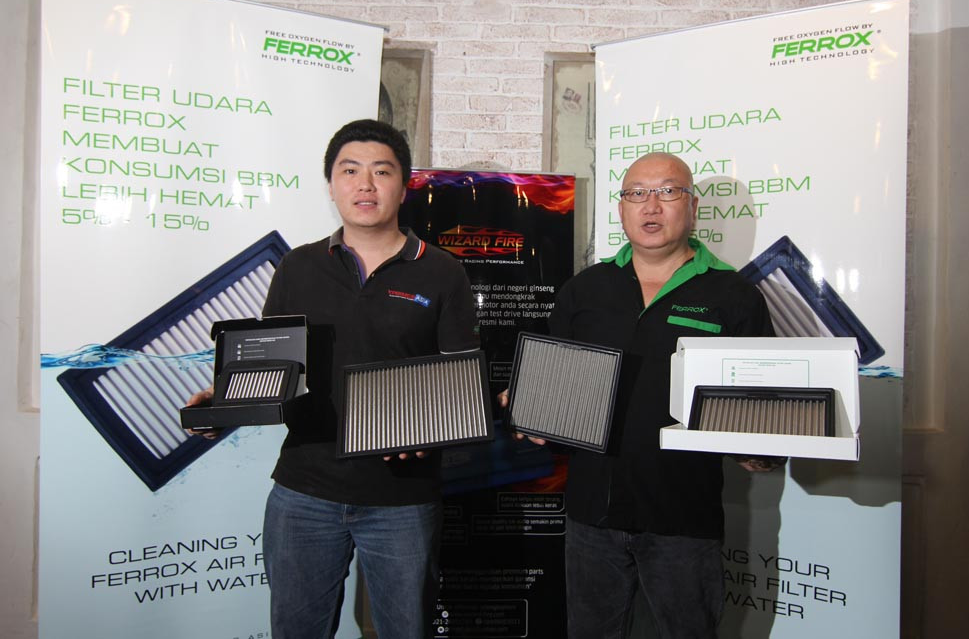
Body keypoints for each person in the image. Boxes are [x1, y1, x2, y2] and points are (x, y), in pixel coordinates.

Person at [190, 119, 479, 639]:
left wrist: (430, 428)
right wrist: (223, 403)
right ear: (331, 185)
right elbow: (270, 367)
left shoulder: (442, 272)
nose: (365, 184)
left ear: (404, 186)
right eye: (350, 171)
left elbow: (463, 381)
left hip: (403, 500)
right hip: (304, 492)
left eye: (381, 171)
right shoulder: (297, 267)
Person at [513, 152, 779, 638]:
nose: (651, 205)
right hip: (592, 516)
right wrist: (530, 405)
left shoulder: (733, 295)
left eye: (667, 191)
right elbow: (553, 381)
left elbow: (761, 402)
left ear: (692, 207)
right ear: (622, 209)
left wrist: (762, 449)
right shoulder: (585, 290)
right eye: (636, 193)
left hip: (684, 520)